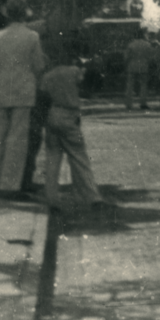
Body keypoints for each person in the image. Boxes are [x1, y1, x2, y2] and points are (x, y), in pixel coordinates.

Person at [0, 0, 47, 198]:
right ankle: (9, 186)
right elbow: (39, 66)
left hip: (1, 90)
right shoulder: (32, 37)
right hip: (23, 91)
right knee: (17, 140)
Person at [38, 49, 104, 212]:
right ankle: (91, 196)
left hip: (53, 113)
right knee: (79, 157)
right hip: (69, 114)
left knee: (53, 159)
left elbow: (43, 95)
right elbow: (85, 85)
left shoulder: (48, 75)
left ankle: (52, 198)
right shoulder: (74, 71)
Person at [124, 31, 154, 110]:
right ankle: (143, 103)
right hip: (144, 67)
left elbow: (126, 57)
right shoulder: (147, 45)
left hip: (132, 67)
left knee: (130, 86)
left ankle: (129, 104)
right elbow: (151, 57)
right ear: (143, 35)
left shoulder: (131, 45)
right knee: (143, 86)